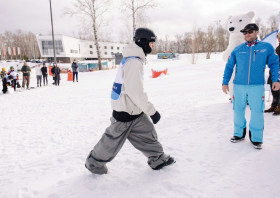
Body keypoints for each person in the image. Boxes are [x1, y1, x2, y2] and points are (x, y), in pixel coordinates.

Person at [85, 28, 175, 175]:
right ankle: (93, 164)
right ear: (144, 42)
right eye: (152, 43)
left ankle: (157, 159)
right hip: (125, 113)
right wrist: (152, 111)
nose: (153, 46)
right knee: (111, 143)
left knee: (148, 133)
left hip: (134, 111)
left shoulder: (134, 59)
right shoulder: (134, 62)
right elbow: (136, 93)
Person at [222, 23, 280, 149]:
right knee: (237, 110)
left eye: (250, 31)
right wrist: (225, 82)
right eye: (245, 32)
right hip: (239, 86)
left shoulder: (266, 47)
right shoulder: (238, 49)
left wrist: (276, 80)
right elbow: (229, 66)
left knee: (257, 111)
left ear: (257, 32)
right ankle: (239, 134)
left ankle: (256, 138)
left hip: (257, 86)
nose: (247, 34)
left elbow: (275, 64)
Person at [264, 32, 280, 115]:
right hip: (273, 72)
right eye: (278, 37)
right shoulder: (277, 47)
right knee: (273, 89)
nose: (279, 39)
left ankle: (279, 106)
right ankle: (274, 105)